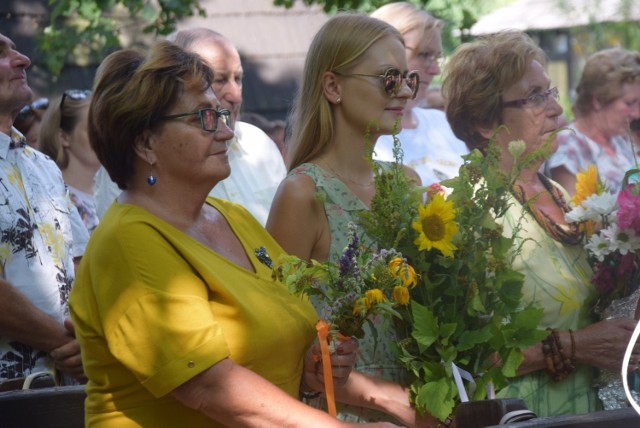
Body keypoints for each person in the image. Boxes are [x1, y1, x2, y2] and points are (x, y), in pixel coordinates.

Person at [69, 39, 403, 428]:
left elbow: (277, 343)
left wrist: (311, 369)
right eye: (204, 118)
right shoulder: (129, 241)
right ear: (145, 142)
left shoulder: (233, 218)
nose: (226, 133)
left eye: (222, 116)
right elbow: (209, 387)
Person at [442, 30, 640, 417]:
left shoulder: (561, 196)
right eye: (535, 97)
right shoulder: (470, 209)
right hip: (523, 414)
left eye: (551, 93)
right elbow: (466, 355)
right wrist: (576, 345)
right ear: (485, 122)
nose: (556, 110)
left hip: (593, 409)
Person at [267, 13, 441, 427]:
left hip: (424, 405)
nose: (402, 91)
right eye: (387, 78)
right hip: (344, 415)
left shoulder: (405, 182)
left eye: (407, 78)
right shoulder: (304, 192)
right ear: (333, 86)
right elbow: (280, 341)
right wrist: (388, 401)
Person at [93, 28, 286, 226]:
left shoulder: (261, 146)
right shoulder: (130, 183)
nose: (235, 95)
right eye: (219, 80)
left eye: (238, 78)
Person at [0, 32, 88, 389]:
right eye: (1, 53)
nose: (23, 60)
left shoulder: (44, 165)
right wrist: (65, 344)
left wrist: (90, 339)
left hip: (70, 388)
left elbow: (81, 264)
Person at [371, 2, 468, 186]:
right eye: (424, 54)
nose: (435, 70)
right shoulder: (368, 134)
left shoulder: (440, 122)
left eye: (437, 57)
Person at [546, 48, 640, 195]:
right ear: (598, 100)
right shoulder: (568, 146)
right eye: (629, 103)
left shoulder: (619, 139)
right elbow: (573, 213)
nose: (637, 113)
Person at [39, 90, 100, 232]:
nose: (104, 135)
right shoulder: (54, 202)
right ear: (64, 137)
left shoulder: (115, 188)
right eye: (93, 129)